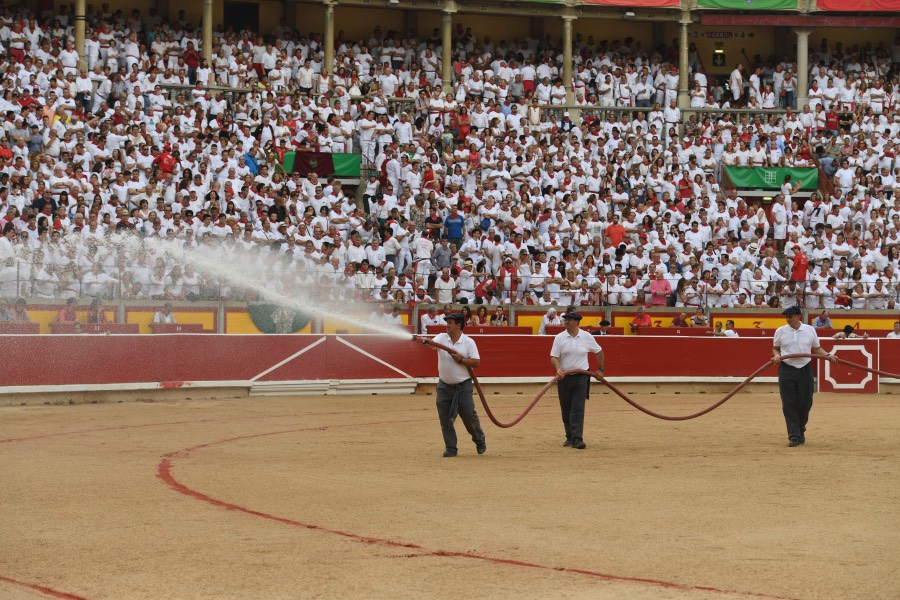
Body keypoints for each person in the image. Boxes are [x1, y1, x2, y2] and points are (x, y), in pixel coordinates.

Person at [772, 305, 836, 447]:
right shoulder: (780, 331)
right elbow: (775, 348)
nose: (788, 319)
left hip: (804, 369)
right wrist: (777, 356)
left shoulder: (809, 329)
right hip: (787, 369)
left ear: (798, 316)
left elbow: (816, 348)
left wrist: (828, 355)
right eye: (786, 317)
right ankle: (794, 435)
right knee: (789, 403)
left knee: (806, 402)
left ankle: (800, 428)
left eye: (790, 316)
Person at [426, 313, 486, 457]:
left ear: (458, 325)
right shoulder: (441, 337)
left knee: (468, 416)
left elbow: (476, 362)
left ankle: (479, 440)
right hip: (444, 385)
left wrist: (461, 360)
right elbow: (432, 346)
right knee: (444, 417)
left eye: (450, 322)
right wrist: (426, 342)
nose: (447, 325)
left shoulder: (468, 342)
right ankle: (451, 448)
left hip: (462, 386)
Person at [550, 312, 604, 450]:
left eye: (569, 320)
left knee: (577, 408)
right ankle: (569, 436)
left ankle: (577, 438)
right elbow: (554, 357)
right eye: (565, 319)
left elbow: (599, 352)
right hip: (564, 377)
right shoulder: (559, 338)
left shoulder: (586, 336)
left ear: (577, 322)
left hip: (581, 377)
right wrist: (558, 369)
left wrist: (601, 370)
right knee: (566, 409)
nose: (566, 321)